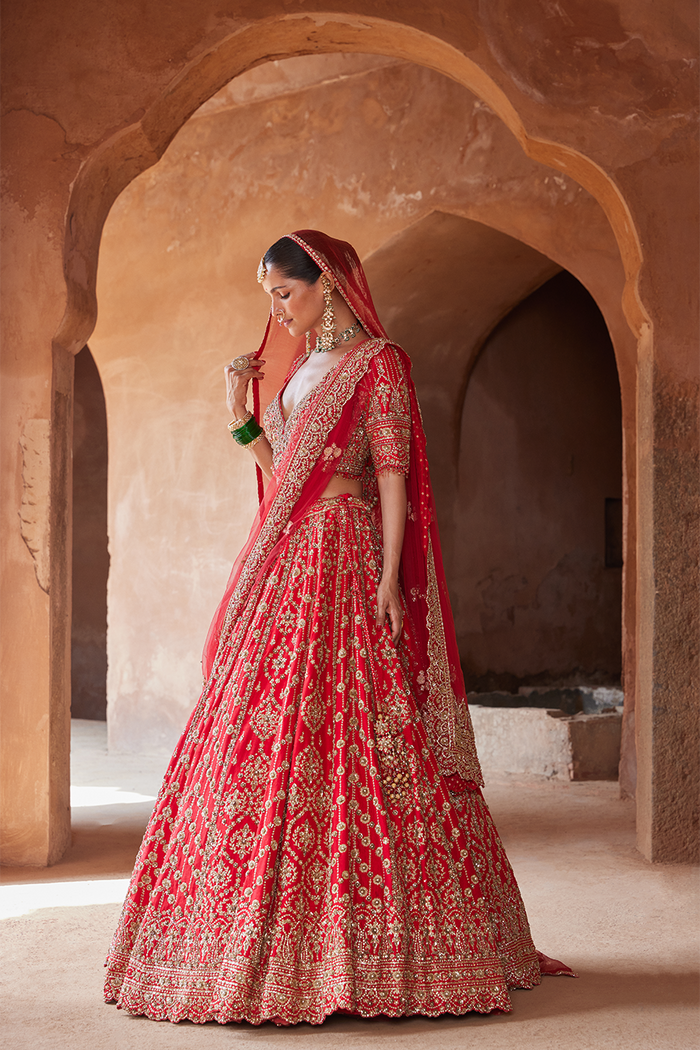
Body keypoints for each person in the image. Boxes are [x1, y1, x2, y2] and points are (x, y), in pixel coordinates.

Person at [104, 230, 573, 1026]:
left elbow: (392, 473)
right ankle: (236, 944)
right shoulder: (301, 371)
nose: (276, 312)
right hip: (291, 561)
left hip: (350, 558)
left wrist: (391, 576)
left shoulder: (379, 364)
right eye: (270, 298)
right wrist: (239, 417)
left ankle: (391, 952)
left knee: (368, 732)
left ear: (325, 285)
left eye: (285, 294)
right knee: (257, 731)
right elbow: (289, 468)